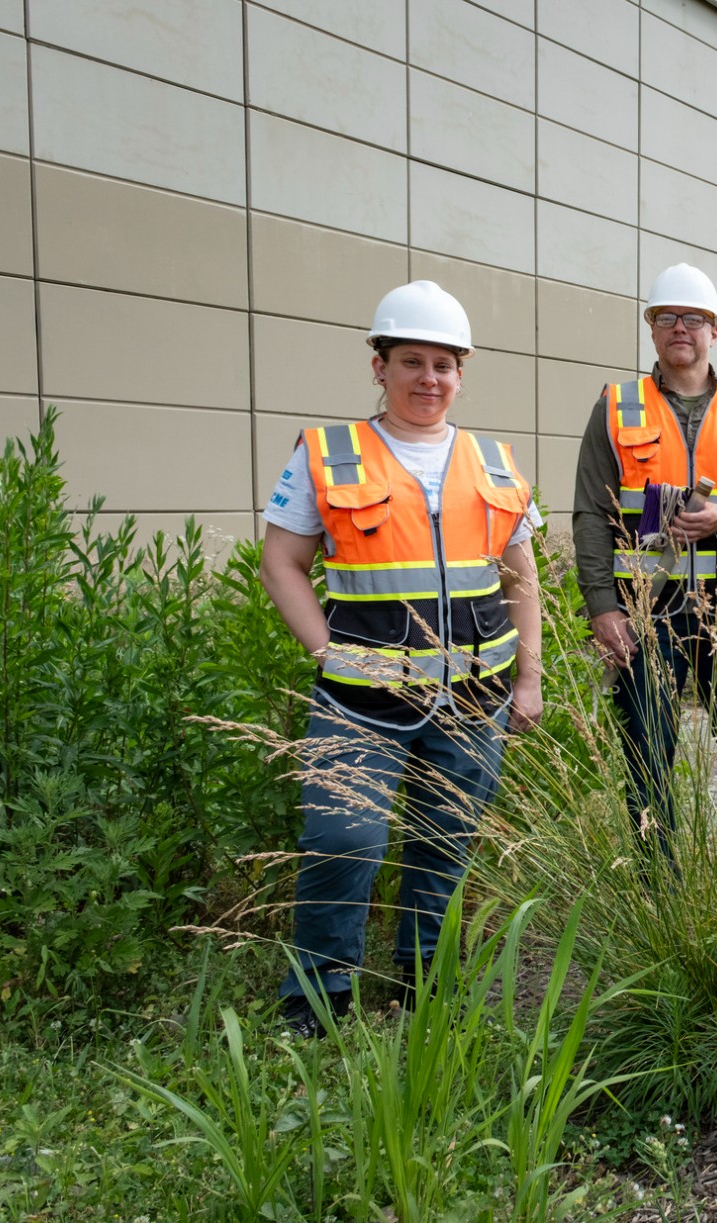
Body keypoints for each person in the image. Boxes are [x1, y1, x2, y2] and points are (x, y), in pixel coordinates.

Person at [259, 280, 543, 1035]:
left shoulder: (495, 461)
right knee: (341, 842)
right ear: (378, 365)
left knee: (444, 850)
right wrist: (326, 648)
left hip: (473, 702)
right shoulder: (329, 453)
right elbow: (281, 561)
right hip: (363, 700)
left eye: (444, 364)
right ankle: (316, 1005)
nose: (429, 378)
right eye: (411, 360)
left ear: (461, 373)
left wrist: (531, 676)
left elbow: (522, 576)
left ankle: (425, 987)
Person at [570, 264, 717, 857]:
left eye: (694, 318)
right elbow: (590, 514)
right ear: (653, 329)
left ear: (715, 330)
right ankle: (657, 884)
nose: (679, 327)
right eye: (667, 318)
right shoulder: (616, 407)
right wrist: (603, 608)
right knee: (647, 749)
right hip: (647, 609)